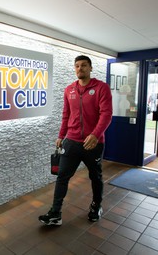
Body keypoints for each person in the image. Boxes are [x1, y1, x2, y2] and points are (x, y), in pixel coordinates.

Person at [39, 55, 113, 226]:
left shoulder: (101, 88)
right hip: (71, 142)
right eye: (77, 66)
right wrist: (60, 135)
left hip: (92, 143)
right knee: (62, 177)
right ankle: (55, 213)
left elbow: (106, 114)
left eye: (84, 65)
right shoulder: (69, 90)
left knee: (95, 177)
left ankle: (96, 206)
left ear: (91, 68)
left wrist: (95, 134)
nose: (80, 69)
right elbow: (66, 115)